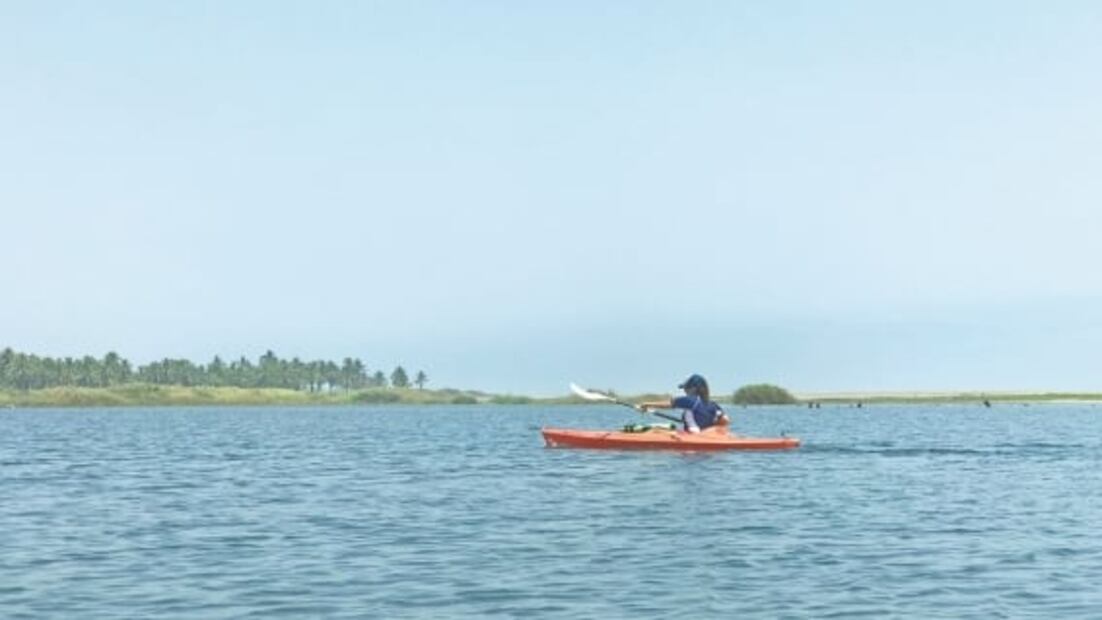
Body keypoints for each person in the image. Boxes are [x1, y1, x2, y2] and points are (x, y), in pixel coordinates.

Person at [639, 374, 728, 433]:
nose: (685, 391)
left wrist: (646, 404)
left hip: (692, 435)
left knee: (654, 429)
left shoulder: (689, 400)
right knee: (670, 427)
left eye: (686, 388)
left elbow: (669, 404)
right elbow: (725, 420)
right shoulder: (713, 404)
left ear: (694, 388)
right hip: (706, 435)